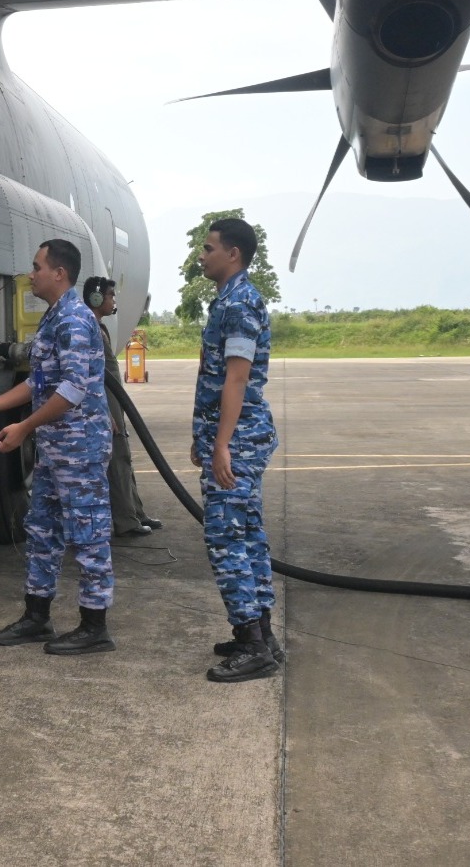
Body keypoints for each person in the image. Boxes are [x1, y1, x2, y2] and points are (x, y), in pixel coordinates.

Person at [0, 239, 116, 656]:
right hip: (55, 448)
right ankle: (37, 616)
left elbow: (72, 389)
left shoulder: (74, 321)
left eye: (37, 266)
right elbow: (38, 383)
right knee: (43, 529)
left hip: (79, 448)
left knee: (87, 534)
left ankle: (94, 625)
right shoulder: (54, 319)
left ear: (59, 273)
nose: (31, 274)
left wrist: (24, 428)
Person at [190, 217, 283, 683]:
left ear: (233, 254)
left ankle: (252, 644)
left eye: (209, 248)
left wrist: (221, 444)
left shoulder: (239, 304)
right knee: (247, 534)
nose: (201, 256)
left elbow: (236, 378)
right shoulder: (228, 301)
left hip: (239, 440)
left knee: (226, 539)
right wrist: (203, 437)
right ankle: (262, 633)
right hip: (232, 437)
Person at [81, 275, 162, 541]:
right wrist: (103, 411)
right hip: (106, 402)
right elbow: (91, 375)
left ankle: (136, 512)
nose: (113, 300)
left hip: (114, 402)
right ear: (96, 298)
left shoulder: (99, 326)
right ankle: (126, 520)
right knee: (116, 459)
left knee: (124, 456)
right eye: (110, 295)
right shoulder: (90, 327)